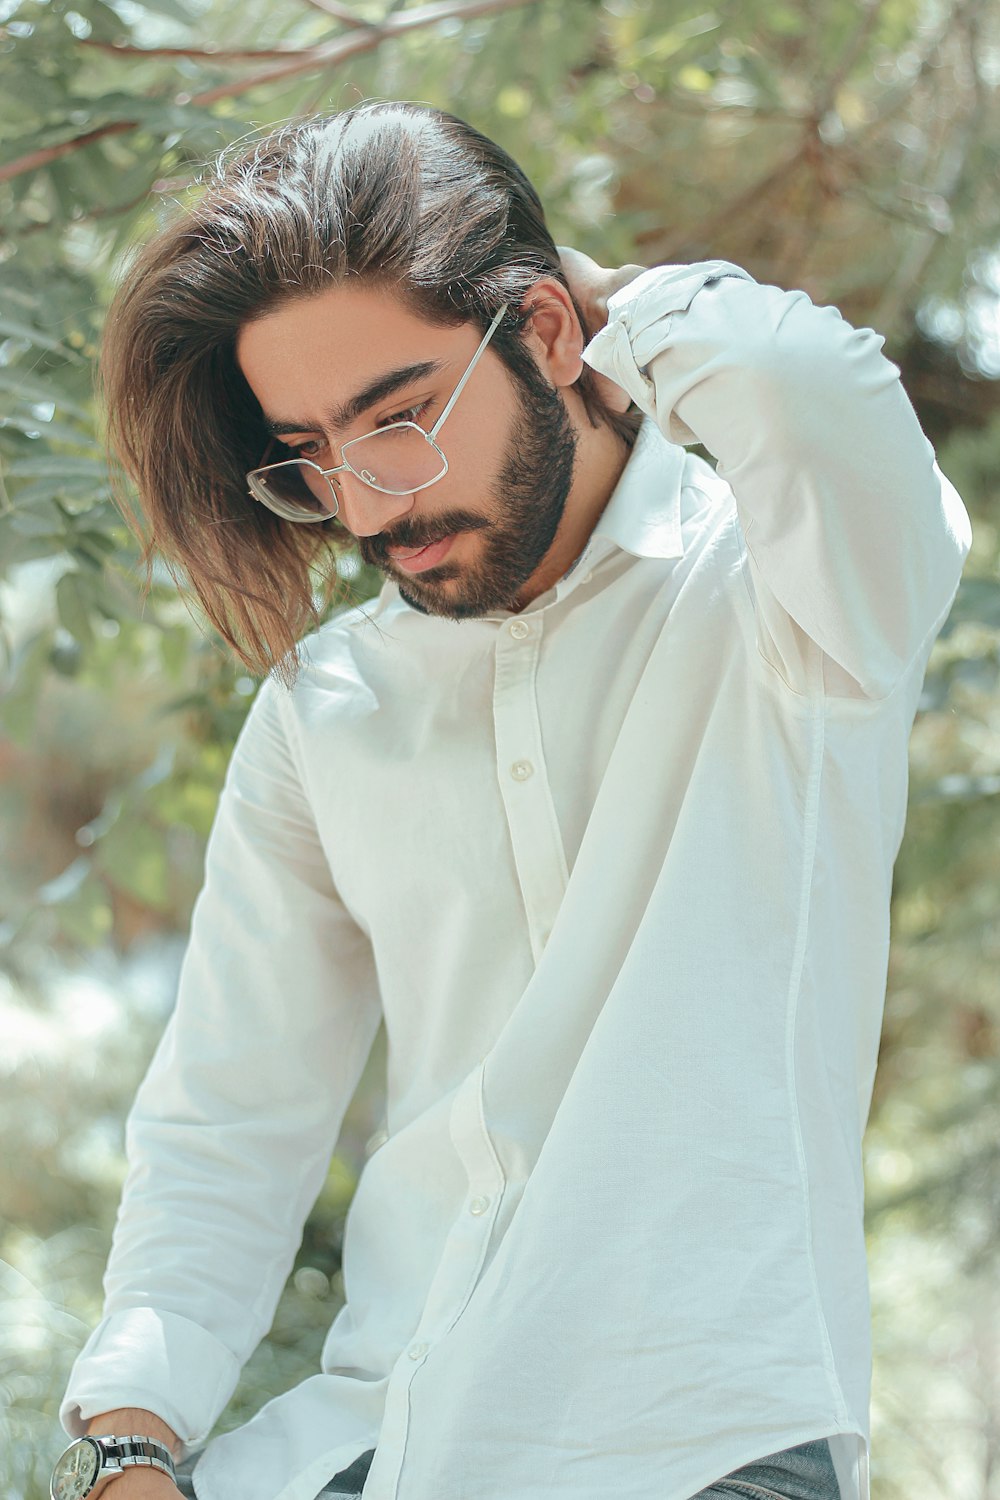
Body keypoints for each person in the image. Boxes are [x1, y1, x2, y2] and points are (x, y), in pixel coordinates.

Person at [51, 100, 971, 1500]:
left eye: (401, 418)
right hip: (367, 1443)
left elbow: (817, 392)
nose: (368, 509)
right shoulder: (324, 709)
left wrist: (607, 298)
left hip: (696, 1446)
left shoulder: (792, 604)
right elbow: (232, 1118)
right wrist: (134, 1437)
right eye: (312, 452)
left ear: (546, 337)